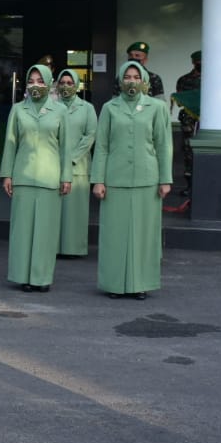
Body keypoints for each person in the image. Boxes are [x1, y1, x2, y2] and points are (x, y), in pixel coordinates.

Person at [90, 61, 172, 299]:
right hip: (114, 178)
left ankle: (140, 283)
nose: (132, 81)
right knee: (114, 234)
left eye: (136, 76)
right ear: (120, 80)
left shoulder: (156, 107)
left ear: (144, 80)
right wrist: (98, 180)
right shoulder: (109, 107)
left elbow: (163, 144)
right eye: (127, 76)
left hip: (147, 179)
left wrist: (165, 179)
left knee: (144, 235)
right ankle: (114, 284)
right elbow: (102, 146)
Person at [0, 65, 72, 292]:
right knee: (22, 230)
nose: (35, 85)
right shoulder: (18, 109)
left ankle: (41, 278)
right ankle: (22, 276)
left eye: (41, 81)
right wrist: (7, 174)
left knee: (46, 232)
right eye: (31, 81)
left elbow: (65, 147)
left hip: (50, 178)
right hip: (23, 175)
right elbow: (10, 143)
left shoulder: (60, 110)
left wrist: (66, 176)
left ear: (50, 83)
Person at [55, 69, 97, 258]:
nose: (65, 86)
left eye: (70, 83)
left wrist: (72, 157)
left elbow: (90, 135)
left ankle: (74, 248)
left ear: (77, 85)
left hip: (78, 167)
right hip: (53, 165)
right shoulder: (52, 106)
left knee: (75, 212)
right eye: (62, 83)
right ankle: (53, 247)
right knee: (56, 210)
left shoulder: (87, 108)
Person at [174, 50, 202, 197]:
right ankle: (190, 186)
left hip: (207, 122)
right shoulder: (184, 80)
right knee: (188, 152)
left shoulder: (216, 77)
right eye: (198, 62)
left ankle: (203, 185)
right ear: (193, 62)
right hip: (188, 122)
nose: (201, 64)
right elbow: (180, 98)